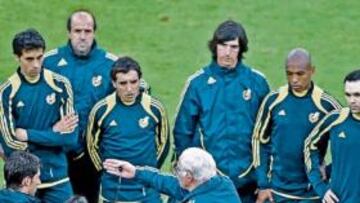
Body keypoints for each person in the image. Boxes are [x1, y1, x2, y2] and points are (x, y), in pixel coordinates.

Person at [43, 9, 149, 203]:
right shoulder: (49, 62)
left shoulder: (109, 63)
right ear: (69, 33)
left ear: (94, 33)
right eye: (77, 31)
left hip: (95, 153)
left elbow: (139, 89)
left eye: (87, 31)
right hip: (58, 152)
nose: (82, 37)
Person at [173, 20, 270, 202]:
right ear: (214, 47)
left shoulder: (257, 82)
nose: (227, 52)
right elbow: (182, 132)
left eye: (233, 47)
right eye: (223, 45)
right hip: (208, 183)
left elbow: (269, 134)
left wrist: (265, 180)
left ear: (241, 49)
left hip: (249, 183)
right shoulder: (198, 84)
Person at [252, 48, 341, 203]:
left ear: (312, 71)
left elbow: (348, 143)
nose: (294, 79)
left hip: (312, 192)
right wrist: (263, 184)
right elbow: (259, 141)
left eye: (300, 74)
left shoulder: (326, 105)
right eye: (289, 73)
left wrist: (329, 170)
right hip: (278, 191)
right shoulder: (274, 101)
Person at [0, 28, 78, 202]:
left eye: (39, 57)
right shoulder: (6, 93)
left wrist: (28, 134)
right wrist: (54, 132)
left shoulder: (60, 85)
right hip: (23, 184)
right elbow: (10, 146)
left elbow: (71, 138)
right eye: (29, 59)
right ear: (17, 57)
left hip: (58, 179)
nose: (36, 64)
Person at [86, 56, 170, 202]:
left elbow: (164, 142)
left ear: (140, 80)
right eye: (123, 83)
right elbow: (90, 144)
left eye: (133, 82)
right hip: (114, 189)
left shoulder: (155, 108)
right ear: (113, 83)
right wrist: (104, 170)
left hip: (147, 189)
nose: (129, 88)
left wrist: (148, 170)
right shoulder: (101, 110)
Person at [103, 147, 241, 203]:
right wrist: (136, 172)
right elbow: (172, 185)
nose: (176, 172)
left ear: (188, 176)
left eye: (178, 168)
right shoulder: (223, 184)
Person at [304, 69, 360, 203]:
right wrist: (320, 187)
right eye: (348, 95)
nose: (352, 100)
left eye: (357, 95)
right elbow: (309, 145)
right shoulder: (335, 119)